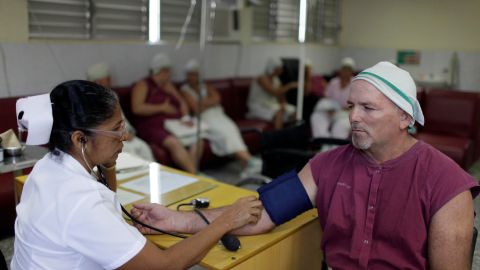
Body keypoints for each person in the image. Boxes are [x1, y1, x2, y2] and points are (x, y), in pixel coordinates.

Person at [130, 61, 480, 269]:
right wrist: (177, 219)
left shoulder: (446, 184)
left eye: (368, 109)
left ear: (405, 116)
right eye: (351, 106)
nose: (353, 118)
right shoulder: (327, 166)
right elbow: (262, 213)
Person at [11, 80, 263, 270]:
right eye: (116, 129)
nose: (126, 136)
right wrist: (227, 220)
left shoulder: (48, 167)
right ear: (80, 139)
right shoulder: (80, 202)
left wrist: (117, 222)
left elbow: (101, 204)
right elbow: (164, 266)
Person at [180, 59, 260, 177]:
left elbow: (217, 99)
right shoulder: (184, 89)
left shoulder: (205, 85)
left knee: (232, 130)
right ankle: (250, 160)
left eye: (194, 74)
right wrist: (209, 101)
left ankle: (247, 164)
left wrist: (203, 103)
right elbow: (196, 108)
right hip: (204, 118)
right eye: (190, 74)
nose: (192, 77)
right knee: (224, 134)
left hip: (218, 114)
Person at [131, 53, 200, 174]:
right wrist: (161, 108)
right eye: (168, 72)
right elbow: (137, 108)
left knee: (198, 139)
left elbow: (182, 103)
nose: (170, 75)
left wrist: (185, 118)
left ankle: (191, 173)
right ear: (162, 71)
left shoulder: (169, 86)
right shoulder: (143, 84)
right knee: (174, 142)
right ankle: (195, 174)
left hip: (175, 124)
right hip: (152, 126)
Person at [87, 62, 155, 161]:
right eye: (106, 79)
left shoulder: (112, 95)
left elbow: (122, 119)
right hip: (109, 138)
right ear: (97, 82)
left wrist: (128, 132)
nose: (109, 81)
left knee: (144, 147)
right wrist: (119, 134)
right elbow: (99, 127)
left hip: (124, 134)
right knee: (131, 152)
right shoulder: (90, 100)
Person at [310, 57, 356, 139]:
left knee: (340, 126)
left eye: (348, 69)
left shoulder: (356, 84)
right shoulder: (333, 82)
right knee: (316, 117)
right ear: (340, 70)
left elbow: (356, 105)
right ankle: (324, 142)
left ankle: (335, 148)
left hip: (346, 114)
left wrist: (340, 110)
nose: (345, 72)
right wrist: (329, 109)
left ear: (352, 72)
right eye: (344, 69)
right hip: (331, 111)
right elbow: (326, 98)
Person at [247, 57, 298, 130]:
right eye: (279, 69)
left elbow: (281, 94)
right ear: (273, 68)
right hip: (259, 106)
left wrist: (283, 103)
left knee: (293, 111)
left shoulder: (276, 79)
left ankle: (291, 136)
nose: (281, 71)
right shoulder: (261, 78)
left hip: (271, 105)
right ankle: (277, 138)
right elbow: (274, 92)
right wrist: (290, 86)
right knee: (279, 113)